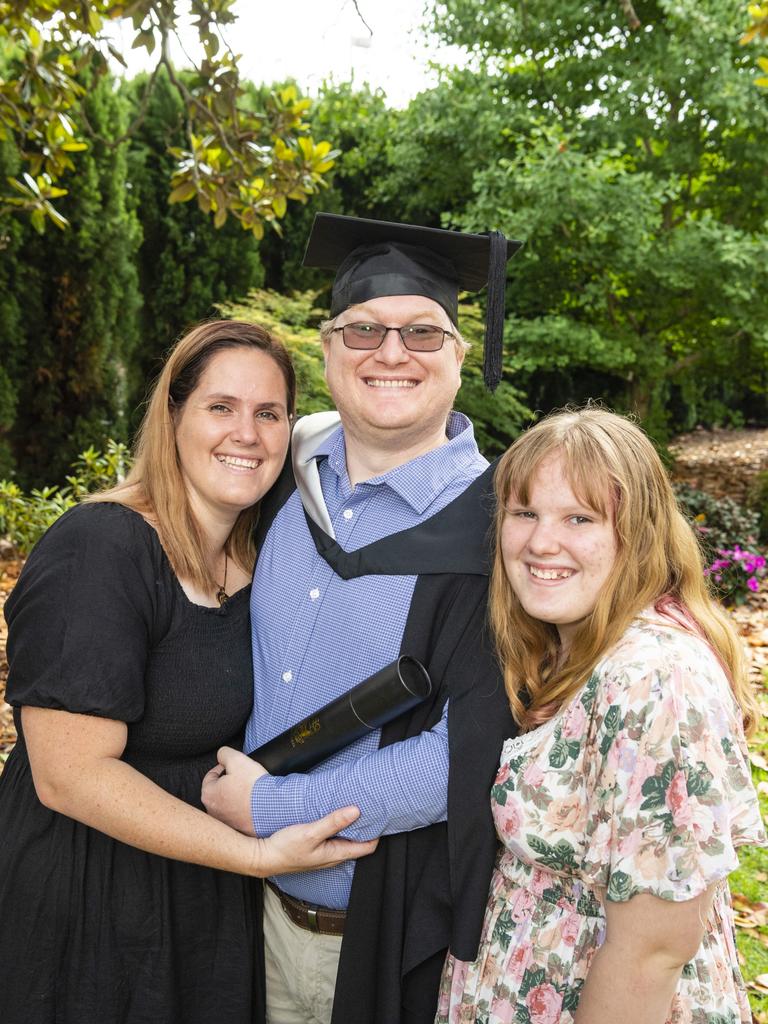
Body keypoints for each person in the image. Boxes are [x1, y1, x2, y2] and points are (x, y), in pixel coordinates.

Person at [0, 320, 376, 1024]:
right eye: (219, 407)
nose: (248, 433)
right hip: (91, 897)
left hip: (201, 899)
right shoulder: (103, 549)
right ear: (171, 417)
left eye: (269, 414)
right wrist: (257, 855)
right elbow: (68, 776)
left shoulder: (259, 560)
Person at [202, 214, 522, 1024]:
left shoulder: (505, 529)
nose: (390, 353)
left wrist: (269, 808)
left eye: (423, 332)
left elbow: (472, 751)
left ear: (459, 355)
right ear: (327, 346)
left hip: (395, 939)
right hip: (238, 913)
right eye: (364, 330)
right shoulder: (277, 479)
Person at [436, 406, 766, 1024]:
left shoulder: (653, 680)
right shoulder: (573, 648)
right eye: (524, 513)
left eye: (579, 518)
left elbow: (653, 951)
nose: (540, 542)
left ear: (635, 532)